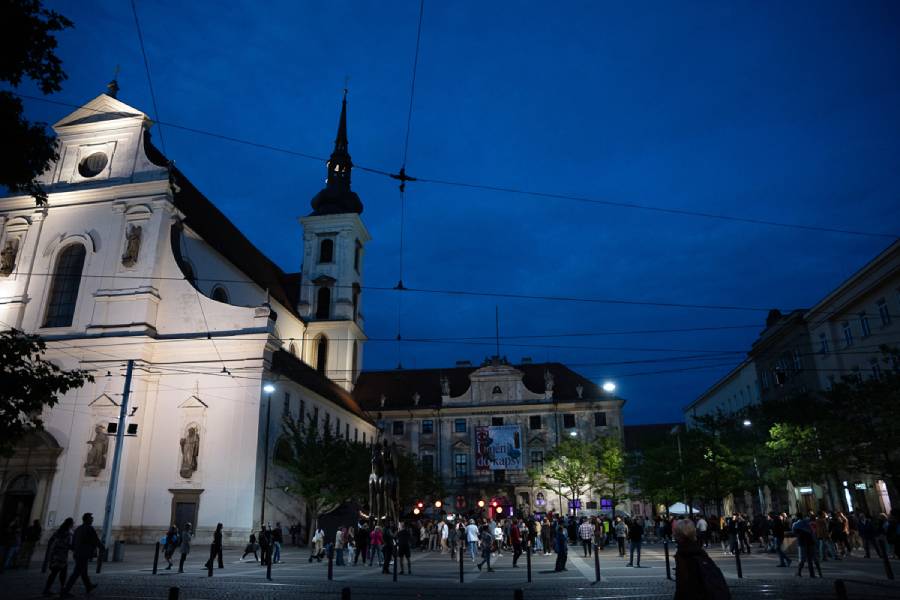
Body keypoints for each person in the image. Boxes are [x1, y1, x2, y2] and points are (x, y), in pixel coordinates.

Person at [673, 519, 731, 600]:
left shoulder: (684, 554)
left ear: (678, 535)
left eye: (675, 532)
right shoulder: (699, 551)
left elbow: (683, 586)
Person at [60, 513, 103, 598]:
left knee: (83, 572)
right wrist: (102, 547)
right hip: (84, 554)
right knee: (76, 573)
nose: (92, 520)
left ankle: (88, 586)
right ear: (87, 519)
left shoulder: (78, 528)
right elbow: (95, 540)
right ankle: (65, 590)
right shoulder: (89, 528)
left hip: (78, 553)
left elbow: (73, 542)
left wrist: (74, 550)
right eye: (91, 518)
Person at [43, 517, 74, 596]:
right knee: (61, 573)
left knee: (55, 573)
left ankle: (49, 589)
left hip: (55, 554)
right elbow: (70, 544)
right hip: (62, 555)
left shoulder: (59, 531)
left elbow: (51, 540)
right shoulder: (69, 533)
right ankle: (62, 589)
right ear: (70, 524)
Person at [792, 514, 819, 578]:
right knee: (811, 559)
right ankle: (813, 574)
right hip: (810, 542)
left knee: (802, 559)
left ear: (797, 518)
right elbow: (812, 532)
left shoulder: (795, 524)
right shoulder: (808, 523)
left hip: (802, 543)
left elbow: (794, 532)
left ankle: (799, 573)